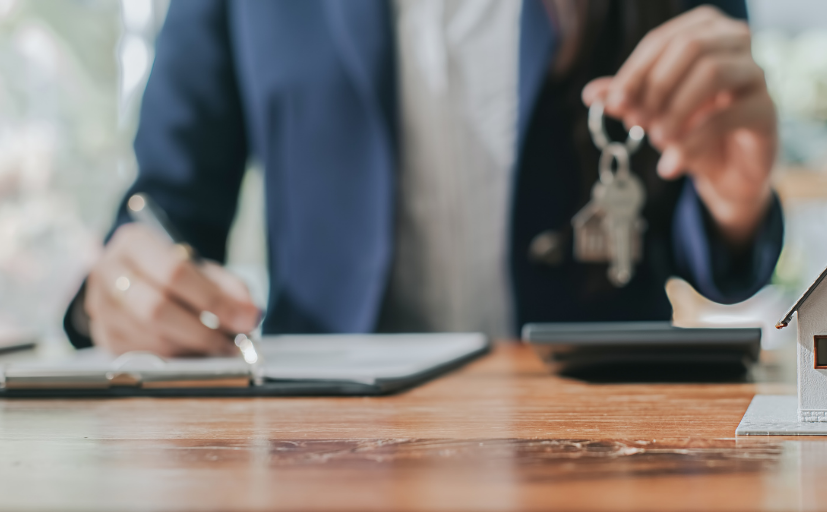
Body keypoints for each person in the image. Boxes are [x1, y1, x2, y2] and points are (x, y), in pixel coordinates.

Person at [64, 0, 783, 356]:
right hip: (324, 446)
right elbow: (165, 211)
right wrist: (125, 288)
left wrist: (735, 200)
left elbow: (712, 260)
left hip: (607, 436)